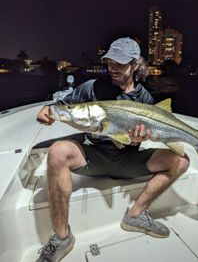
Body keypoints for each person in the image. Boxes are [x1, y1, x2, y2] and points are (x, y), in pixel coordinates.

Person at [36, 37, 189, 262]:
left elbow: (136, 142)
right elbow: (62, 106)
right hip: (93, 155)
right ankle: (61, 238)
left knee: (181, 161)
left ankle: (135, 216)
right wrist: (47, 110)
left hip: (128, 160)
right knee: (57, 151)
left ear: (135, 65)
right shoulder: (93, 87)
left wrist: (136, 139)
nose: (112, 67)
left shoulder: (144, 98)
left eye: (119, 63)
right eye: (109, 61)